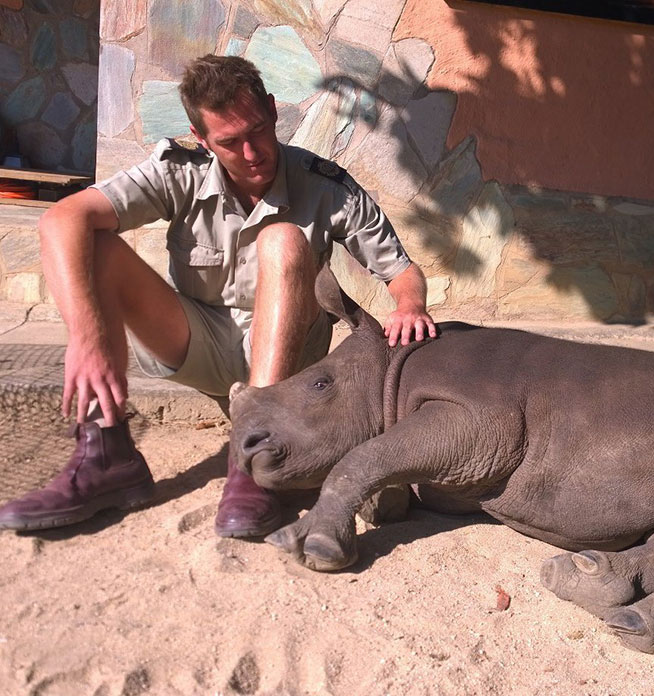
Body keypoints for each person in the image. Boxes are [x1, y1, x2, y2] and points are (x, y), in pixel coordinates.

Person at [0, 55, 436, 537]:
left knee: (284, 239)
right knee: (95, 243)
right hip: (198, 341)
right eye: (229, 142)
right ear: (201, 137)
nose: (251, 154)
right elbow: (59, 218)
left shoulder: (325, 183)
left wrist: (409, 305)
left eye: (257, 131)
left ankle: (252, 463)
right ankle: (108, 453)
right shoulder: (179, 173)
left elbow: (402, 272)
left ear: (272, 110)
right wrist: (87, 339)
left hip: (286, 366)